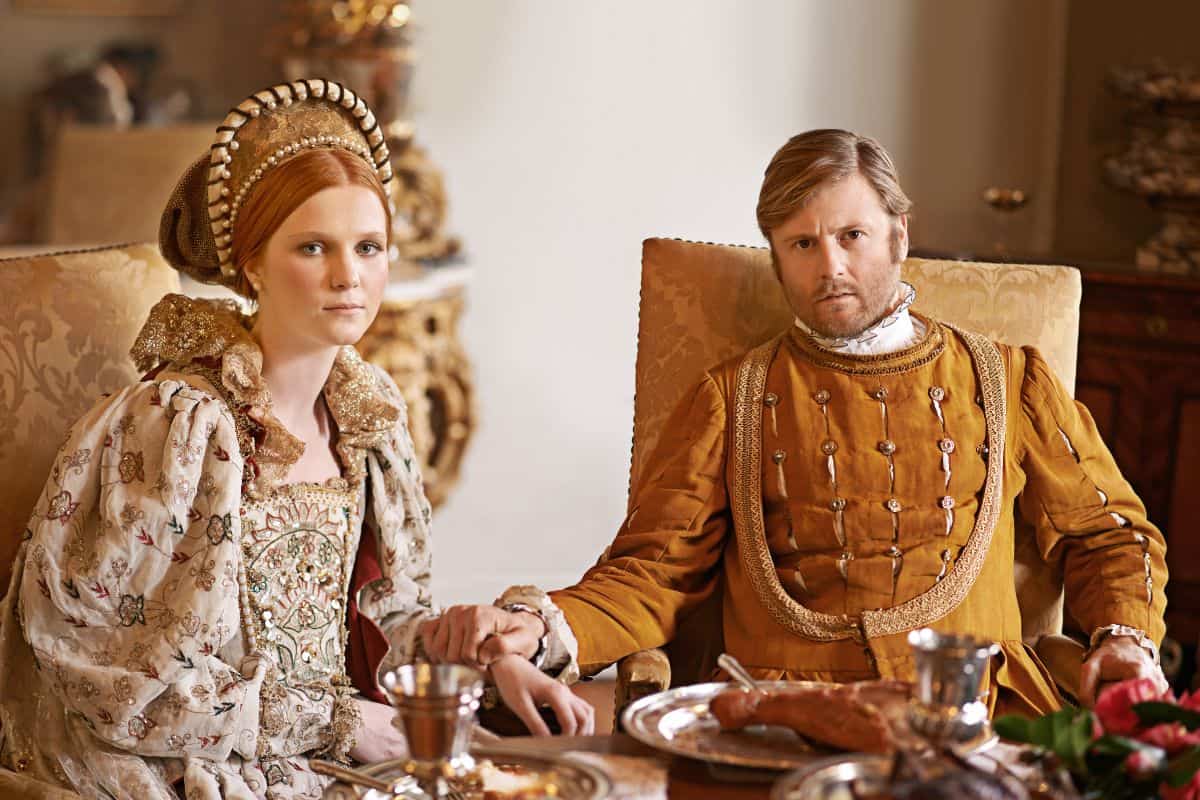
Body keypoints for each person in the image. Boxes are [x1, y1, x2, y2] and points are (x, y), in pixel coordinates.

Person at [421, 129, 1169, 718]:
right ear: (777, 257)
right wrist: (539, 626)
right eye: (802, 245)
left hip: (975, 711)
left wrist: (1124, 640)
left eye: (852, 236)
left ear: (899, 235)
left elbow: (1108, 534)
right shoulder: (731, 397)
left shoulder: (1009, 376)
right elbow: (651, 572)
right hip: (778, 719)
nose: (829, 268)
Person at [0, 79, 588, 800]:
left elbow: (381, 630)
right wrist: (340, 724)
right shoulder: (180, 426)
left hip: (323, 752)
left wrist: (486, 659)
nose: (350, 277)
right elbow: (112, 675)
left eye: (369, 247)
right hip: (183, 765)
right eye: (314, 247)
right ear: (252, 263)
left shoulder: (367, 419)